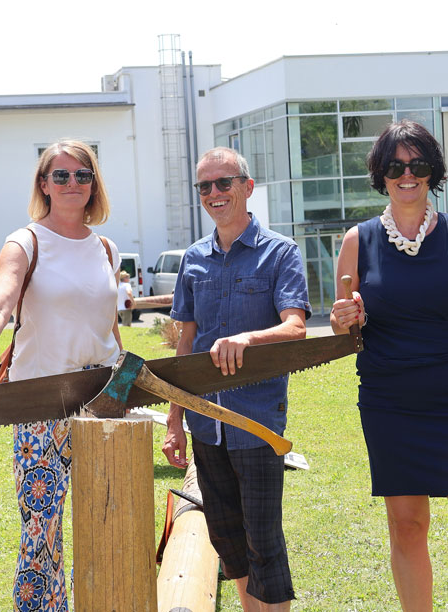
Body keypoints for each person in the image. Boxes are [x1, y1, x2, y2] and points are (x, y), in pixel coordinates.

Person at [329, 120, 448, 611]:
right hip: (390, 401)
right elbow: (346, 327)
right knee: (407, 529)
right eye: (395, 166)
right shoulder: (358, 240)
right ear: (381, 174)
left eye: (418, 164)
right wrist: (345, 319)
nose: (407, 175)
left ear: (433, 172)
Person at [0, 139, 121, 612]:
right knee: (41, 532)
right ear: (44, 184)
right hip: (41, 406)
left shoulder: (106, 248)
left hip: (103, 402)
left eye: (82, 175)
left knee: (108, 518)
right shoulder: (25, 241)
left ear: (94, 185)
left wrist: (128, 380)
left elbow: (106, 326)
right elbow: (0, 303)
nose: (73, 183)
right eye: (61, 175)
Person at [161, 147, 310, 611]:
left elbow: (296, 327)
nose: (213, 193)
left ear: (247, 187)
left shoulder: (280, 253)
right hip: (206, 427)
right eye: (204, 186)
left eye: (223, 183)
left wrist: (248, 337)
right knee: (226, 539)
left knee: (263, 541)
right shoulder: (193, 260)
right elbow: (184, 348)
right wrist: (173, 422)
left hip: (256, 422)